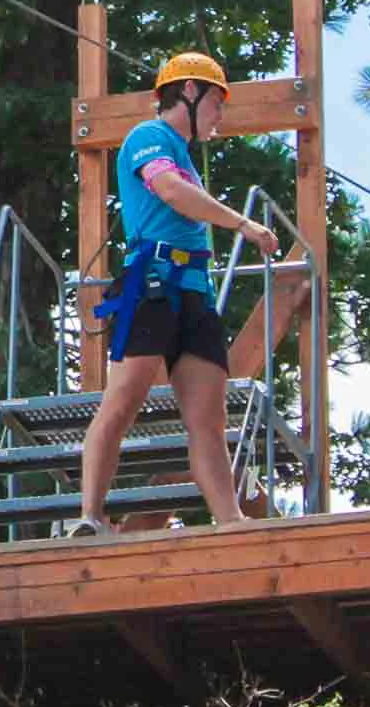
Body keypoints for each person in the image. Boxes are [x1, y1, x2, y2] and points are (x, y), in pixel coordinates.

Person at [60, 53, 282, 539]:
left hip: (193, 291)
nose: (220, 115)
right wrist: (242, 222)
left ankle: (230, 521)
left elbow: (187, 194)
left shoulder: (184, 155)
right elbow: (170, 192)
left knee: (208, 416)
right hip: (151, 284)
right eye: (217, 102)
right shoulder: (149, 138)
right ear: (188, 93)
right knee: (124, 398)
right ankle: (90, 517)